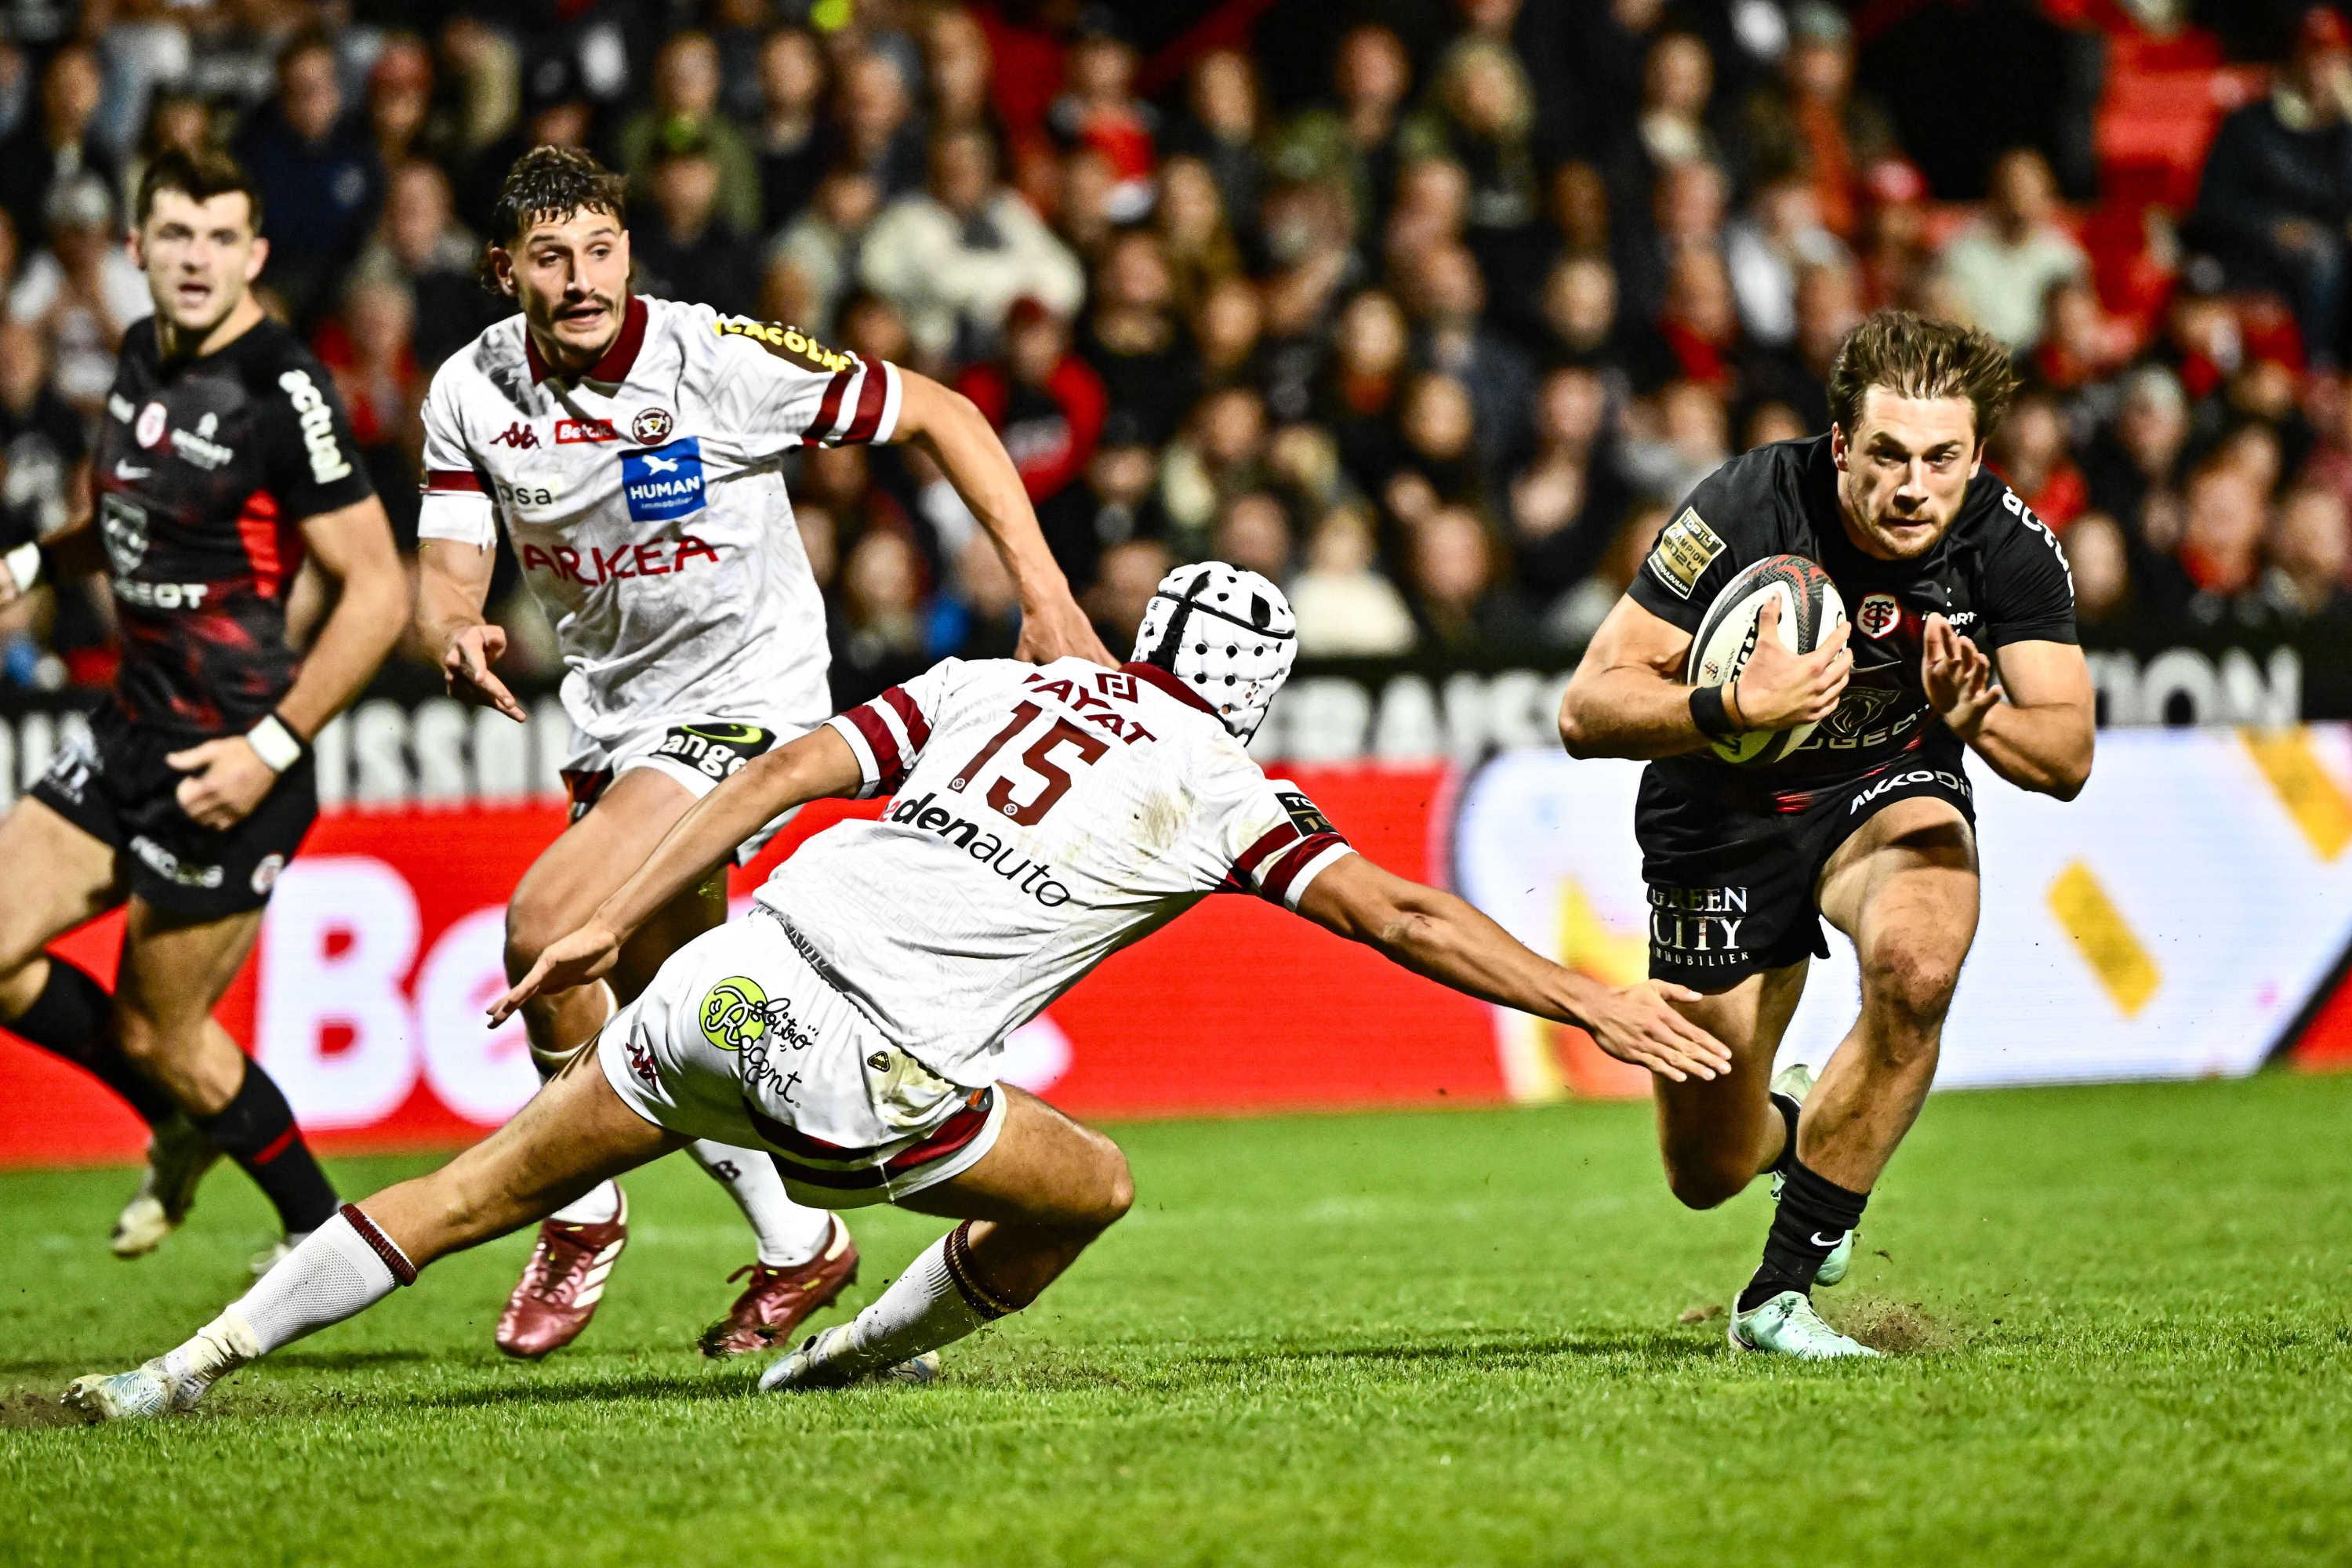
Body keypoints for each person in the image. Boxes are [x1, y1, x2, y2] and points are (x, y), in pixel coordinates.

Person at [62, 562, 1730, 1420]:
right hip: (852, 1066)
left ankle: (174, 1370)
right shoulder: (1225, 787)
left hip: (724, 973)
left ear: (1139, 631)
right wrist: (1590, 1005)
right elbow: (1410, 916)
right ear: (1262, 690)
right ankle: (849, 1354)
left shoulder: (995, 681)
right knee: (1091, 1184)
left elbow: (787, 766)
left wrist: (609, 913)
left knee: (461, 1192)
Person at [408, 146, 1109, 1362]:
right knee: (682, 1017)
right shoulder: (472, 390)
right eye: (551, 258)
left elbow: (942, 411)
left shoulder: (717, 362)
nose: (581, 280)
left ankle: (576, 1212)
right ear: (502, 270)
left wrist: (1042, 596)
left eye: (601, 250)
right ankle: (801, 1245)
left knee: (543, 927)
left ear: (629, 247)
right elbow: (448, 562)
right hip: (615, 723)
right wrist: (453, 624)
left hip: (749, 705)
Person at [1556, 310, 2093, 1359]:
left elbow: (2067, 755)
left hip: (1887, 783)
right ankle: (1805, 1124)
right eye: (1887, 454)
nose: (1912, 487)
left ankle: (1780, 1295)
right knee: (1706, 1173)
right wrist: (1729, 705)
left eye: (1942, 460)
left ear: (1976, 457)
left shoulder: (2006, 543)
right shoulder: (1746, 505)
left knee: (1920, 967)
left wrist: (1978, 717)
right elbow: (1588, 708)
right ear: (1842, 445)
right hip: (1720, 816)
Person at [0, 149, 405, 1268]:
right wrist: (35, 561)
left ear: (255, 255)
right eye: (176, 235)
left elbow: (379, 589)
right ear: (137, 249)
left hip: (232, 758)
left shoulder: (282, 389)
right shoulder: (138, 353)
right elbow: (129, 521)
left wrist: (269, 750)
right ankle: (182, 1121)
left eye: (221, 239)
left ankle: (321, 1236)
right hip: (130, 730)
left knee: (162, 1033)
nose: (196, 259)